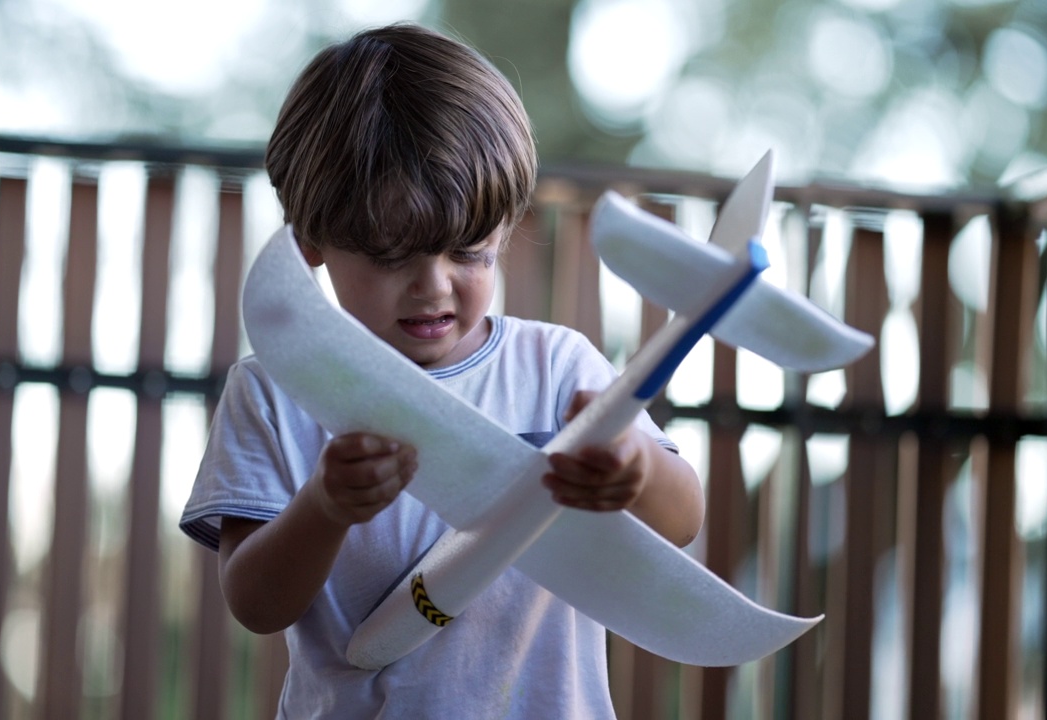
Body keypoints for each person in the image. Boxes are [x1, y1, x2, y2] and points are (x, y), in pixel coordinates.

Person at [180, 22, 704, 718]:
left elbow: (681, 519)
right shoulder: (275, 391)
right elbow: (255, 602)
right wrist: (326, 507)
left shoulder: (555, 367)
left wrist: (633, 468)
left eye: (469, 253)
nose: (433, 287)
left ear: (504, 229)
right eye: (392, 257)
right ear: (311, 240)